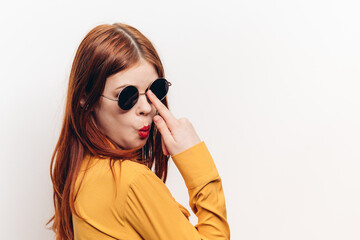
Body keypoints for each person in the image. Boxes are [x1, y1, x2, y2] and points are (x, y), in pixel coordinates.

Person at [46, 22, 230, 240]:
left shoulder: (83, 171)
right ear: (86, 98)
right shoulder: (130, 182)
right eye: (127, 96)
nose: (146, 108)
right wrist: (196, 160)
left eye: (155, 90)